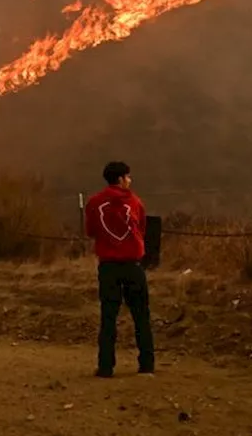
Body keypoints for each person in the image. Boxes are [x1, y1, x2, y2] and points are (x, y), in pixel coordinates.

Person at [85, 161, 154, 378]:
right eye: (128, 177)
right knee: (141, 315)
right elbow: (142, 229)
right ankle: (146, 364)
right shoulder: (134, 202)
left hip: (108, 266)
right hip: (133, 264)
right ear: (122, 179)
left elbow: (91, 231)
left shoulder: (94, 202)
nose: (130, 181)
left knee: (108, 316)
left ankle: (106, 366)